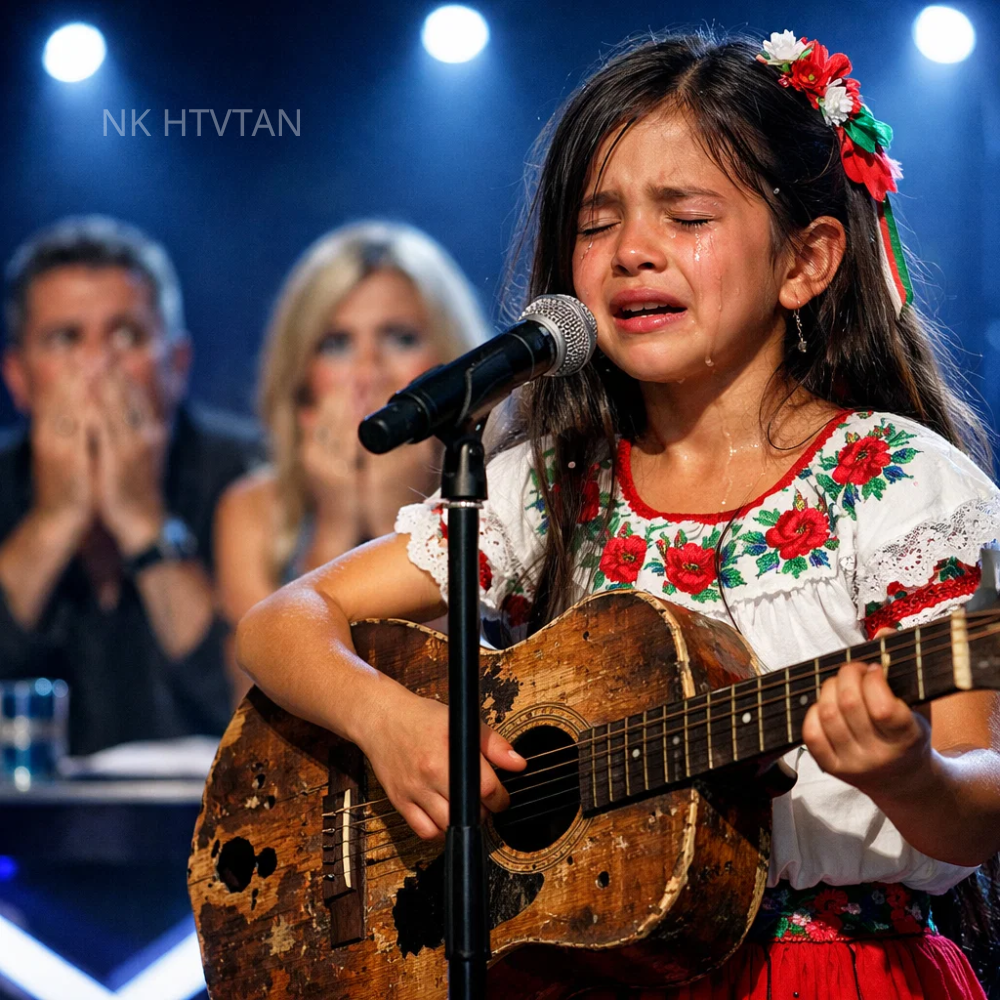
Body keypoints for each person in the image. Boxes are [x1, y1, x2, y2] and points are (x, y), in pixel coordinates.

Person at [234, 31, 1000, 999]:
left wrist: (909, 773)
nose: (633, 252)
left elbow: (978, 807)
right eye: (597, 225)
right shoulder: (551, 483)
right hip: (581, 974)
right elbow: (279, 622)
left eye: (686, 217)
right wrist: (390, 722)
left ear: (805, 260)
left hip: (825, 972)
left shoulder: (893, 483)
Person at [0, 216, 260, 756]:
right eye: (65, 339)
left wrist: (143, 521)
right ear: (18, 377)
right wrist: (53, 519)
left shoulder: (250, 477)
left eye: (126, 336)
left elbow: (252, 704)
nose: (98, 367)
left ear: (177, 365)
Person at [214, 221, 491, 699]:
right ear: (301, 376)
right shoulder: (251, 509)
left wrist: (398, 513)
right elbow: (256, 703)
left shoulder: (505, 494)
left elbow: (466, 687)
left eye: (400, 338)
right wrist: (335, 523)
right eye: (337, 344)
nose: (367, 372)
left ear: (452, 356)